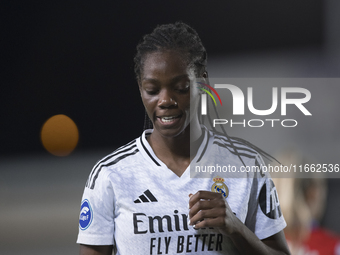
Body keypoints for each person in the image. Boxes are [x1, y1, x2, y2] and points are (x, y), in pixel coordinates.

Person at [77, 22, 291, 255]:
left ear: (202, 81)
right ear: (140, 88)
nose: (165, 100)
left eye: (180, 87)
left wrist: (236, 227)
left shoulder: (247, 164)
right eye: (152, 90)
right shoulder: (111, 174)